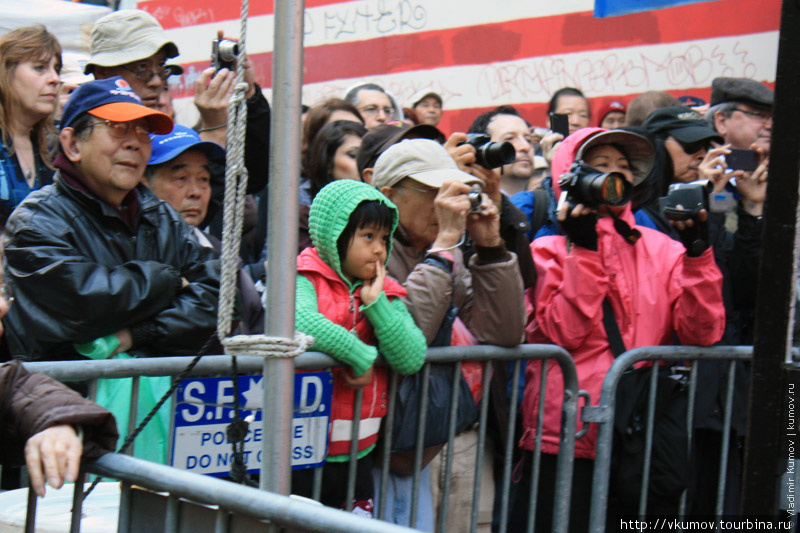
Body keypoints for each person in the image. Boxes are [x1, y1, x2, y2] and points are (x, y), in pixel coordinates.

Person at [511, 127, 725, 532]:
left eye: (624, 167)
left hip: (639, 434)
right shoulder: (546, 251)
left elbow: (703, 334)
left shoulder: (662, 247)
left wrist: (699, 256)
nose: (615, 176)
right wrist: (586, 254)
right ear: (571, 175)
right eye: (601, 165)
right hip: (567, 435)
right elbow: (563, 333)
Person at [3, 76, 220, 362]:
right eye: (117, 128)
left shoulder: (161, 215)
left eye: (143, 131)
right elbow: (84, 307)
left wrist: (138, 334)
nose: (134, 143)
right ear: (72, 144)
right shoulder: (37, 221)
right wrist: (168, 280)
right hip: (68, 402)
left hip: (161, 401)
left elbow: (220, 300)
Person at [374, 138, 526, 531]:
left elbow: (505, 333)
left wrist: (490, 246)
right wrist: (443, 247)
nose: (445, 202)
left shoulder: (453, 252)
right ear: (387, 195)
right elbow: (405, 338)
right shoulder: (366, 251)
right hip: (385, 444)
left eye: (451, 189)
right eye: (430, 192)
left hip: (451, 433)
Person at [292, 179, 426, 516]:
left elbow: (411, 357)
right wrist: (360, 356)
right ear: (333, 235)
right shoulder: (303, 277)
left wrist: (376, 304)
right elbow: (301, 319)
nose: (380, 249)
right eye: (368, 237)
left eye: (384, 238)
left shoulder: (384, 290)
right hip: (299, 455)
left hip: (358, 456)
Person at [145, 124, 264, 335]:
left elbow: (254, 324)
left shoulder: (220, 254)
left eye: (204, 180)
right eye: (180, 178)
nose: (195, 193)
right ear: (144, 183)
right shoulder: (134, 252)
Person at [0, 25, 62, 227]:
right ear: (6, 73)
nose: (55, 79)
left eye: (56, 69)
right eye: (40, 67)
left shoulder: (53, 148)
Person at [297, 120, 367, 251]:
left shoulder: (382, 208)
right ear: (328, 163)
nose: (363, 163)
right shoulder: (303, 213)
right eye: (353, 155)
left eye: (367, 156)